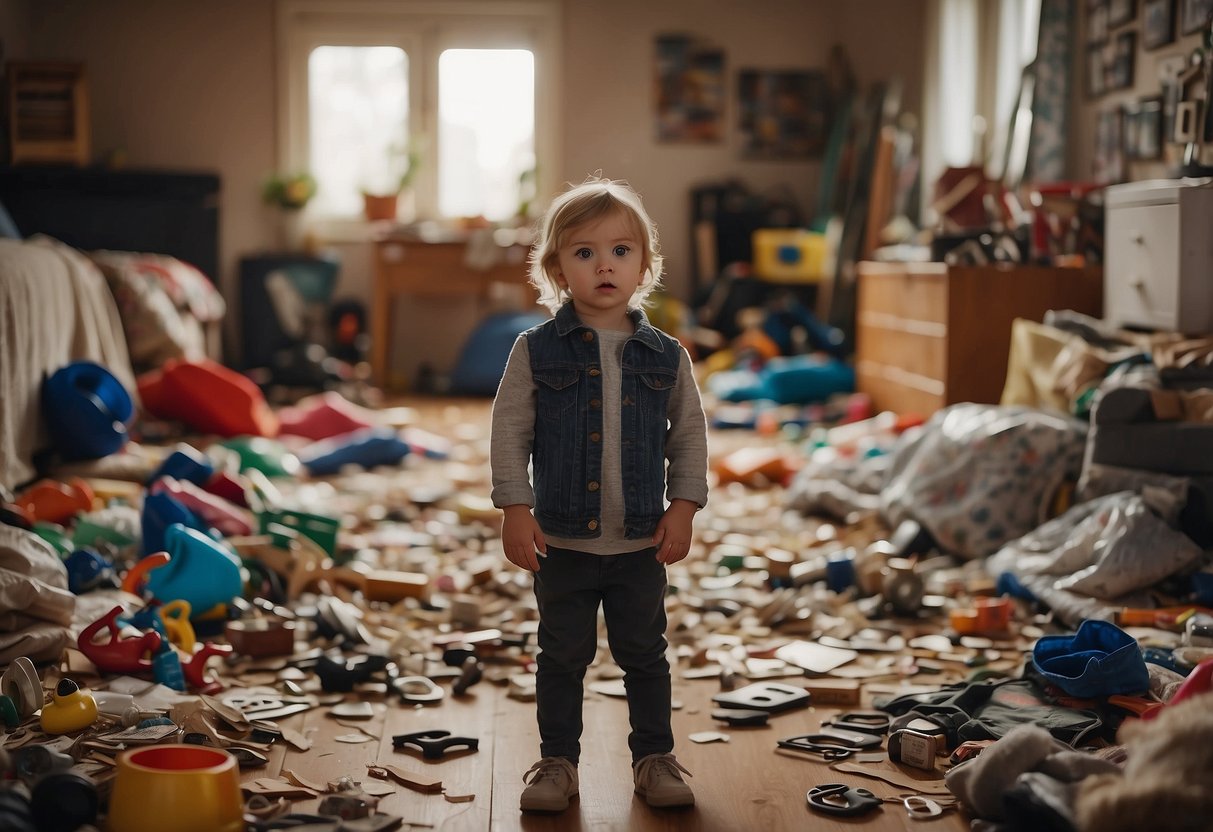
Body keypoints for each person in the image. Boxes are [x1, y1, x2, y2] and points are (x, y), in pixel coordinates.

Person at [491, 175, 708, 813]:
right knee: (561, 655)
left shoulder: (666, 355)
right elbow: (510, 432)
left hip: (642, 539)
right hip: (562, 540)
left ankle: (653, 758)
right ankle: (558, 763)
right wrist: (515, 509)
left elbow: (689, 436)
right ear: (556, 267)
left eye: (621, 250)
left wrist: (684, 508)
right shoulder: (534, 351)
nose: (604, 265)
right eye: (584, 253)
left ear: (645, 263)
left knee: (645, 653)